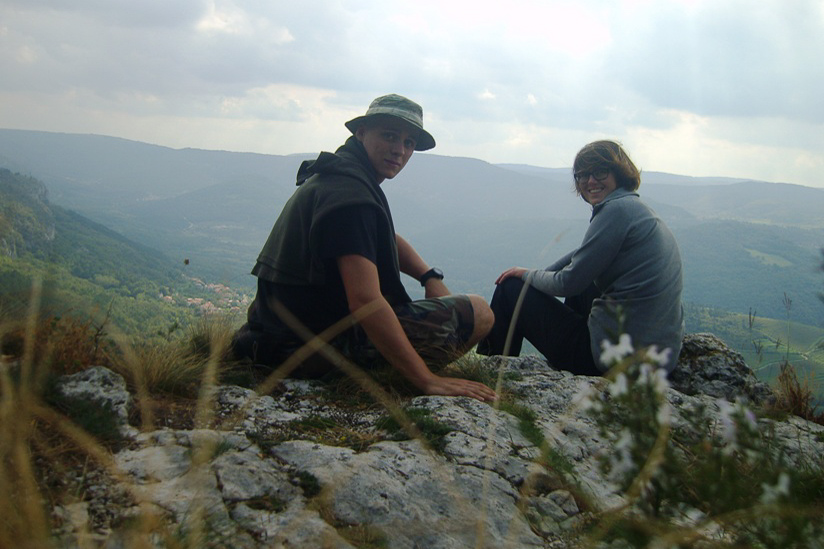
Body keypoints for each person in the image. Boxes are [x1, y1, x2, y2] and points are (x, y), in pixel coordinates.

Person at [232, 94, 496, 401]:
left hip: (275, 337)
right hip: (304, 352)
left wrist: (428, 276)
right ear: (361, 133)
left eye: (409, 142)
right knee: (480, 313)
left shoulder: (342, 175)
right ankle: (396, 374)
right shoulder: (350, 196)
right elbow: (365, 301)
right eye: (389, 136)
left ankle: (395, 366)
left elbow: (382, 237)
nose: (400, 150)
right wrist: (427, 381)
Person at [478, 140, 684, 374]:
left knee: (511, 289)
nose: (590, 181)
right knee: (586, 285)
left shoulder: (615, 211)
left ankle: (489, 373)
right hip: (656, 360)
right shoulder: (634, 209)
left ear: (619, 173)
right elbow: (582, 257)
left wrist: (524, 276)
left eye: (600, 171)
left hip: (614, 362)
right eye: (582, 175)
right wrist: (535, 275)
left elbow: (567, 283)